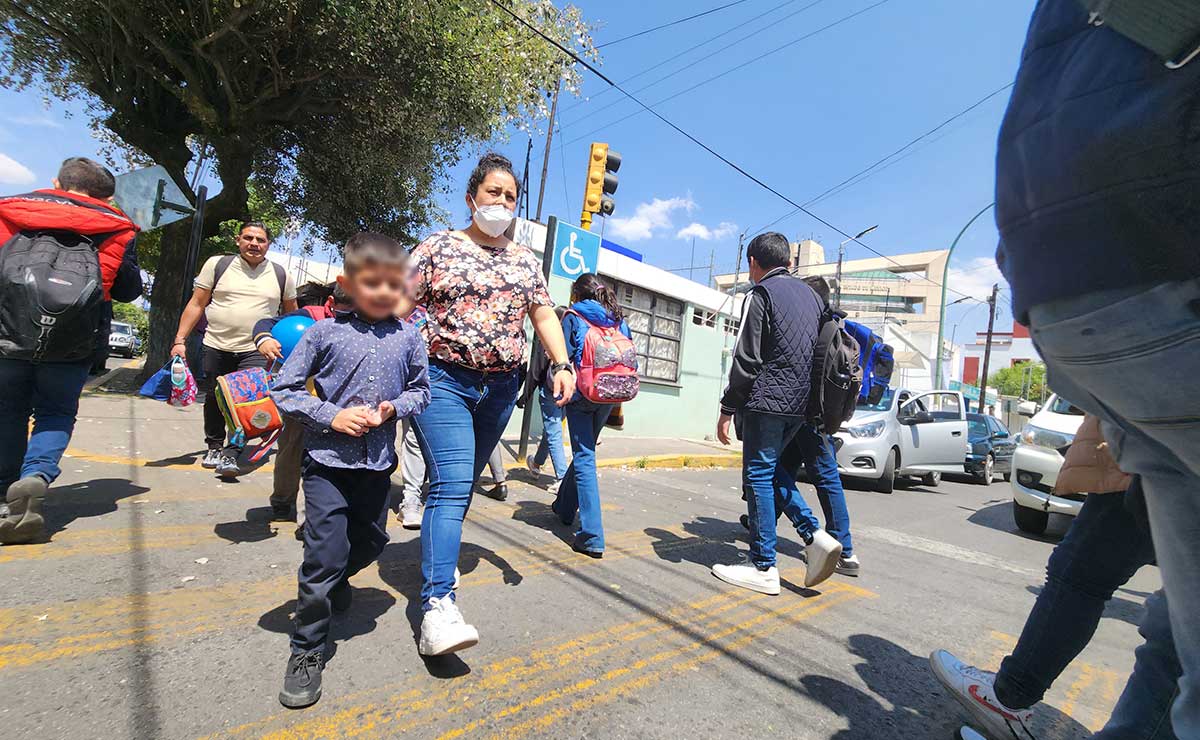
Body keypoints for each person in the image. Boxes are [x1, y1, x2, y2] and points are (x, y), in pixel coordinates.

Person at [991, 3, 1200, 735]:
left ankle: (1013, 692)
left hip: (1061, 284)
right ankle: (1013, 692)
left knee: (1171, 631)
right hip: (1168, 256)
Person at [409, 152, 576, 656]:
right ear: (471, 197)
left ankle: (438, 552)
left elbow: (543, 313)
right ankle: (438, 606)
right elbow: (397, 300)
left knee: (455, 487)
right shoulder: (439, 246)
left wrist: (563, 363)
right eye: (493, 192)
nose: (502, 202)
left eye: (510, 196)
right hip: (444, 382)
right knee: (456, 481)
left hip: (500, 388)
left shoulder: (524, 259)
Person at [932, 415, 1168, 738]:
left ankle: (1010, 697)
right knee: (1175, 626)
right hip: (1164, 444)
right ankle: (1010, 695)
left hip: (1167, 444)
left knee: (1085, 577)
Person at [270, 232, 429, 708]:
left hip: (378, 466)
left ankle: (339, 578)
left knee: (371, 542)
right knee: (321, 557)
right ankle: (307, 649)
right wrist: (331, 415)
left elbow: (421, 391)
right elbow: (285, 389)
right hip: (326, 465)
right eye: (371, 282)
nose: (382, 292)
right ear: (347, 283)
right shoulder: (323, 333)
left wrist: (392, 408)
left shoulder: (408, 336)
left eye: (391, 283)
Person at [0, 157, 142, 545]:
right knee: (56, 411)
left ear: (56, 182)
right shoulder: (118, 228)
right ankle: (37, 475)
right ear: (104, 195)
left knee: (7, 411)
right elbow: (128, 289)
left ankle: (3, 494)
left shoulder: (10, 210)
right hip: (74, 339)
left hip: (7, 333)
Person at [711, 232, 842, 595]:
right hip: (801, 406)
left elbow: (747, 360)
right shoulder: (812, 298)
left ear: (754, 262)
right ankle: (814, 535)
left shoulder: (761, 295)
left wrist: (727, 408)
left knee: (757, 474)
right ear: (790, 262)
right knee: (769, 472)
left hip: (767, 401)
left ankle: (764, 565)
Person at [172, 221, 297, 477]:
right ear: (238, 240)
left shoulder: (281, 274)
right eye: (249, 238)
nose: (254, 244)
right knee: (215, 397)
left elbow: (292, 314)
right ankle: (214, 446)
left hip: (256, 348)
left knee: (246, 400)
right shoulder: (218, 264)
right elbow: (197, 304)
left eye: (260, 240)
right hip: (216, 344)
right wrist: (179, 340)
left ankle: (232, 452)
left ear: (268, 245)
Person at [252, 282, 351, 528]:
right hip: (301, 395)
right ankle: (282, 502)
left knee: (323, 458)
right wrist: (264, 338)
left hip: (336, 397)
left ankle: (311, 519)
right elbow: (266, 324)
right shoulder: (311, 316)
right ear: (330, 302)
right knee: (290, 447)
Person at [550, 273, 632, 557]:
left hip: (582, 395)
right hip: (609, 394)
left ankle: (592, 535)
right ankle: (563, 508)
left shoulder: (574, 316)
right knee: (584, 451)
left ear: (577, 294)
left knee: (584, 456)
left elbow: (563, 356)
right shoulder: (618, 318)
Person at [525, 307, 570, 493]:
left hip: (551, 390)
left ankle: (562, 477)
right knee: (552, 430)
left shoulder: (549, 341)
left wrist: (524, 396)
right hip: (569, 390)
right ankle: (536, 463)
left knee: (554, 433)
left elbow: (536, 369)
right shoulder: (572, 339)